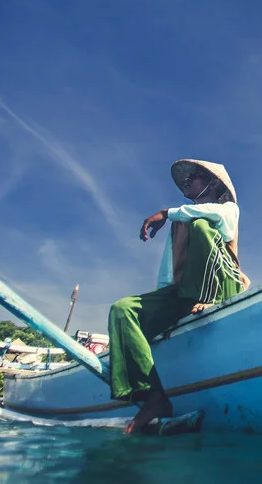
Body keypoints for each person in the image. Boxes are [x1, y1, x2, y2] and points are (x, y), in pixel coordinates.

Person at [106, 158, 250, 434]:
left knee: (201, 225)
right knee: (122, 310)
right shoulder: (180, 221)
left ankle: (211, 300)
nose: (188, 181)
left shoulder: (227, 209)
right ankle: (153, 397)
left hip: (222, 285)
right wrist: (160, 309)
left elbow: (216, 220)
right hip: (185, 292)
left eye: (194, 176)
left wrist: (165, 212)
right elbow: (169, 272)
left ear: (213, 182)